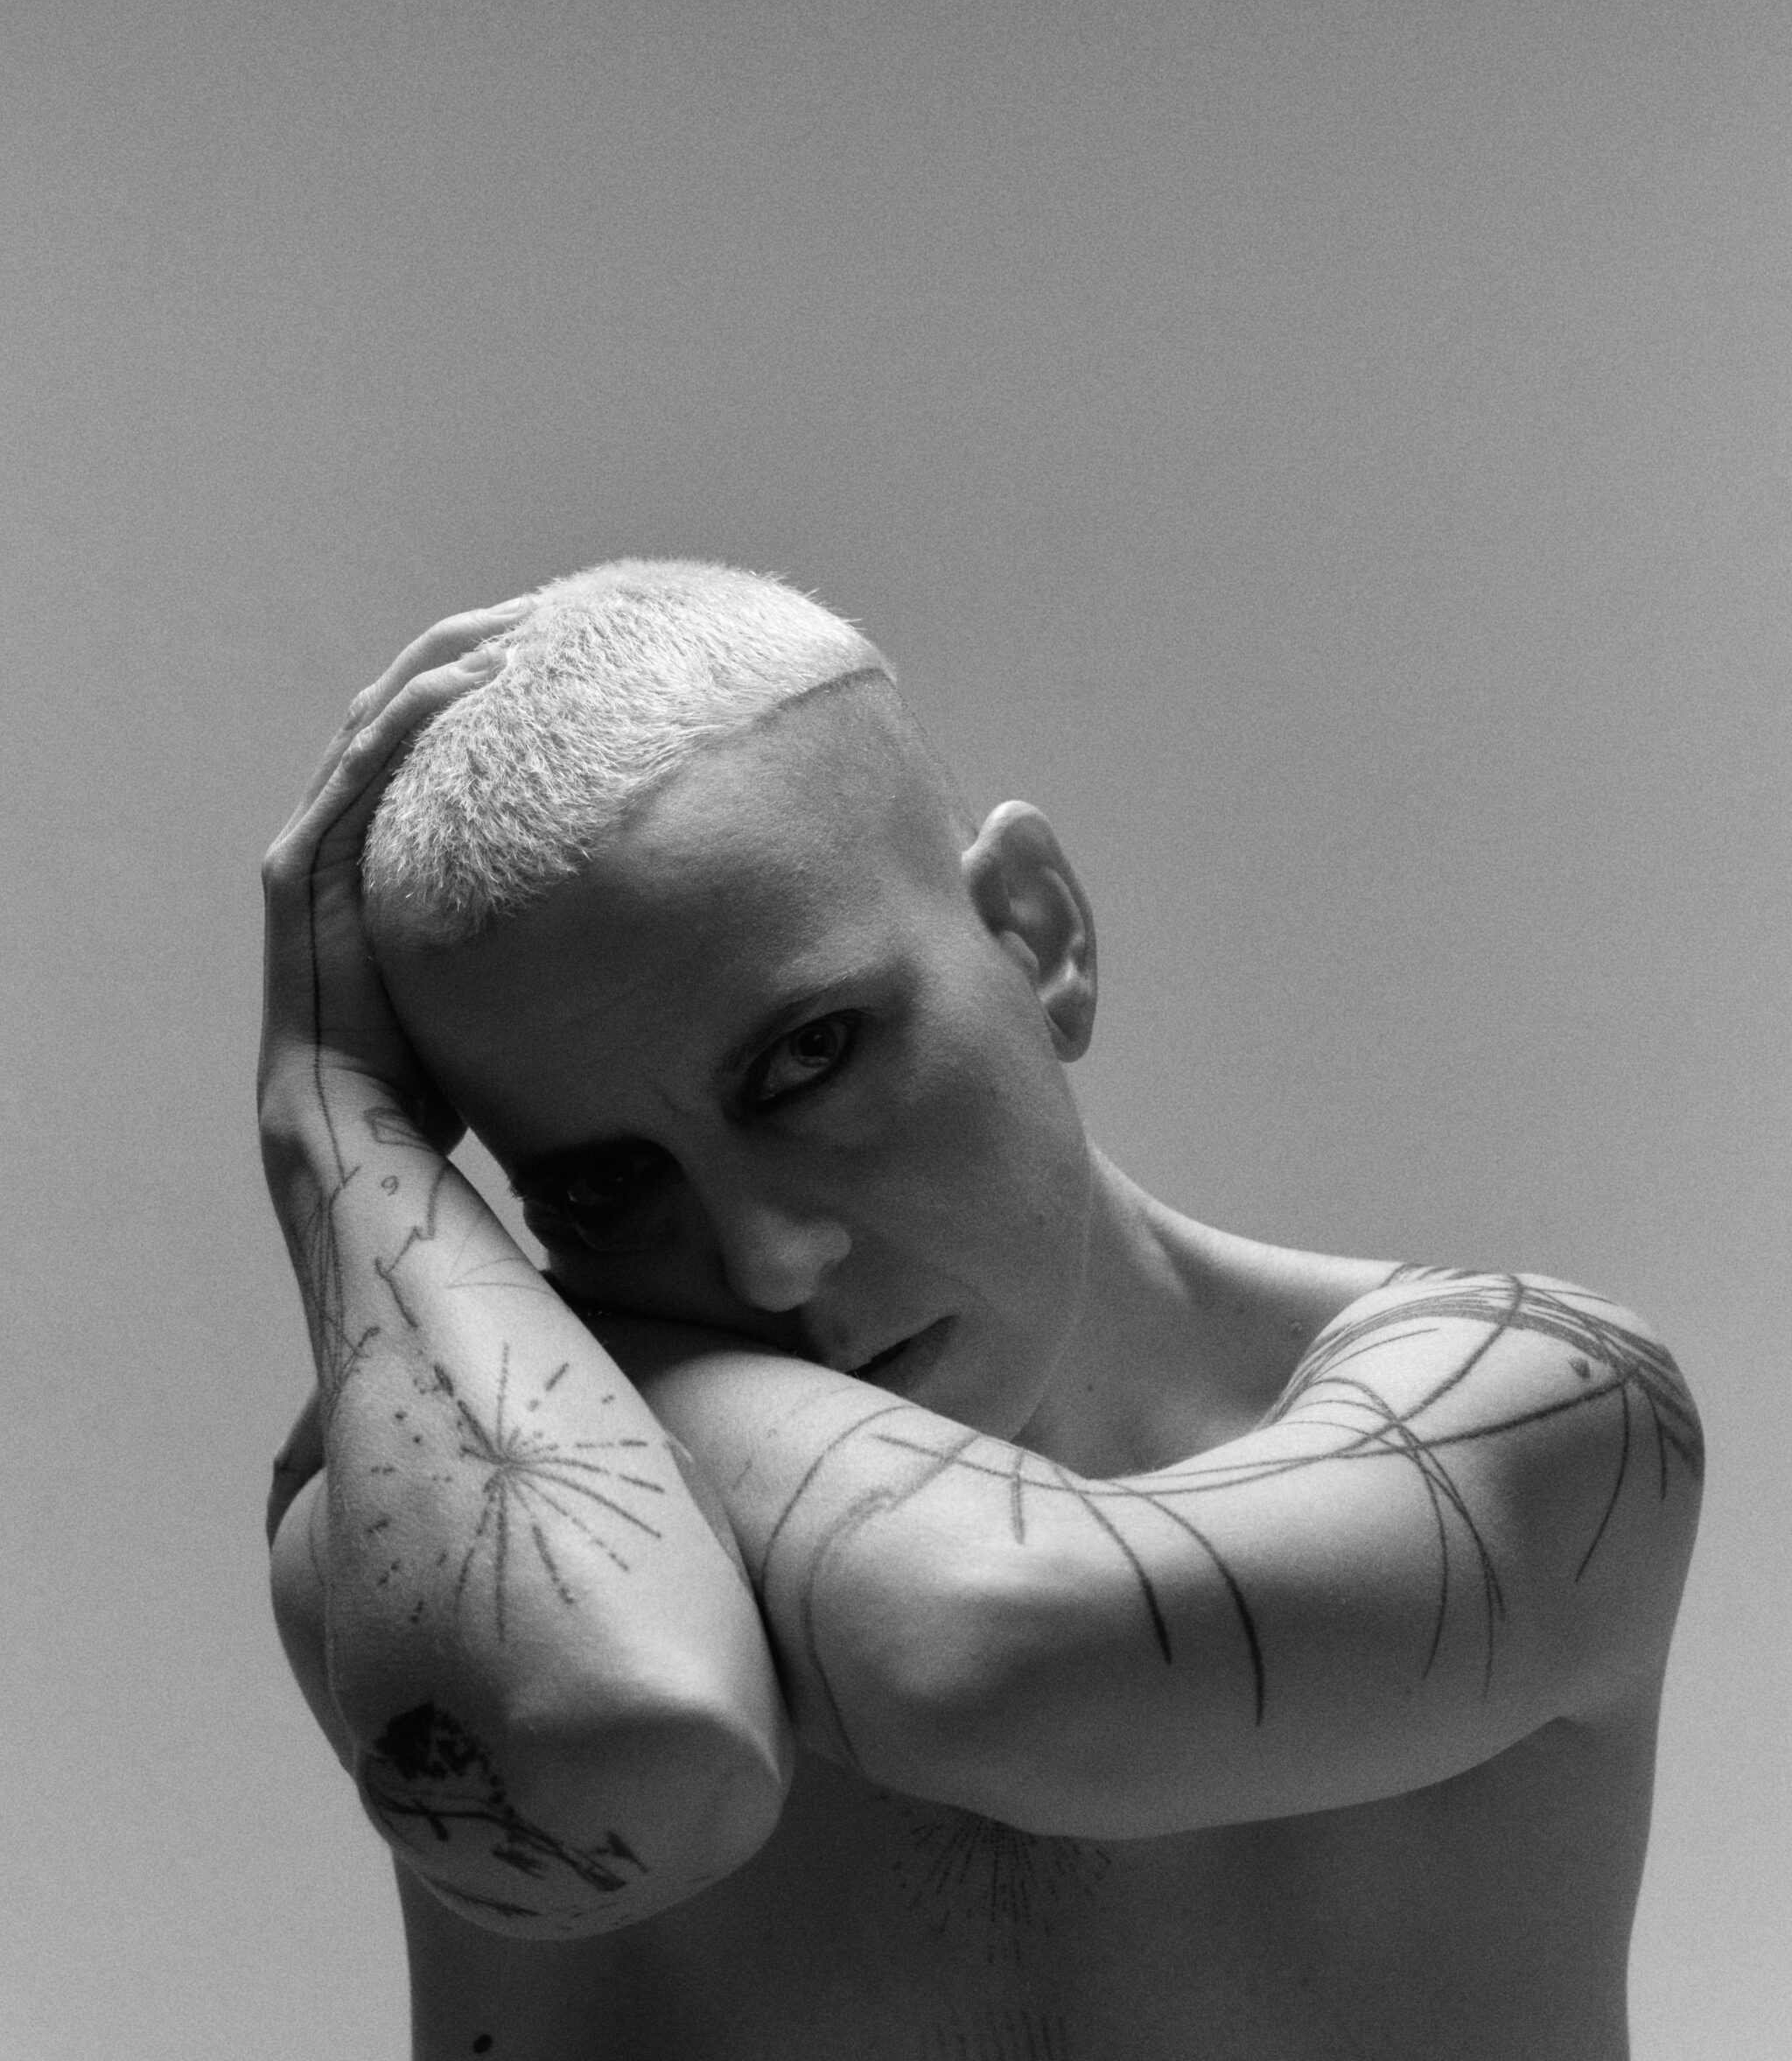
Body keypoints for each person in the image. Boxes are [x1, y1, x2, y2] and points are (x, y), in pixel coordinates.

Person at [260, 561, 1703, 2061]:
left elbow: (1000, 1663)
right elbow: (611, 1773)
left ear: (1037, 930)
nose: (767, 1265)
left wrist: (596, 1343)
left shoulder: (1550, 1415)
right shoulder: (426, 1548)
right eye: (605, 1190)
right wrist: (325, 1116)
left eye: (812, 1056)